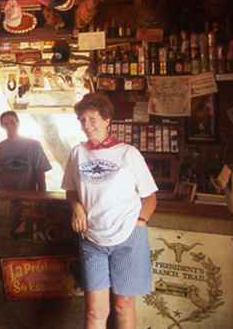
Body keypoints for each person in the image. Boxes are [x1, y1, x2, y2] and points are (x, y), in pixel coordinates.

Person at [62, 93, 158, 329]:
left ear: (107, 120)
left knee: (123, 305)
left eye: (92, 119)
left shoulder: (128, 153)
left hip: (128, 238)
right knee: (95, 311)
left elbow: (150, 198)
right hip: (92, 239)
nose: (87, 125)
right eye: (82, 120)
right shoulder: (77, 153)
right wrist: (77, 208)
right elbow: (71, 191)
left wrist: (141, 221)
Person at [0, 111, 51, 191]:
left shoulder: (34, 145)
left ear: (18, 123)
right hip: (4, 195)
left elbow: (40, 173)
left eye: (12, 122)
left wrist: (42, 197)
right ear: (2, 126)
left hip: (27, 196)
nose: (9, 126)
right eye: (5, 124)